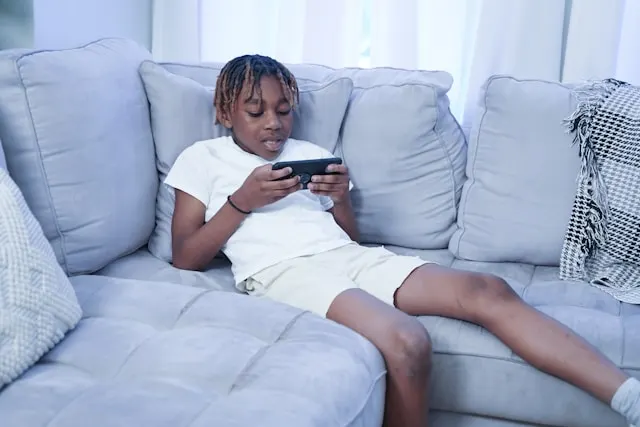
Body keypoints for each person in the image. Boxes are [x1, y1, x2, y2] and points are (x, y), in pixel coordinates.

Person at [164, 54, 639, 427]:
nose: (274, 123)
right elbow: (186, 257)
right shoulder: (202, 159)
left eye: (284, 111)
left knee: (487, 290)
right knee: (408, 340)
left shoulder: (309, 154)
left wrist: (342, 199)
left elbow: (348, 237)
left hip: (347, 255)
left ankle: (628, 398)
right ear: (225, 112)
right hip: (283, 271)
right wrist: (242, 200)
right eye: (256, 111)